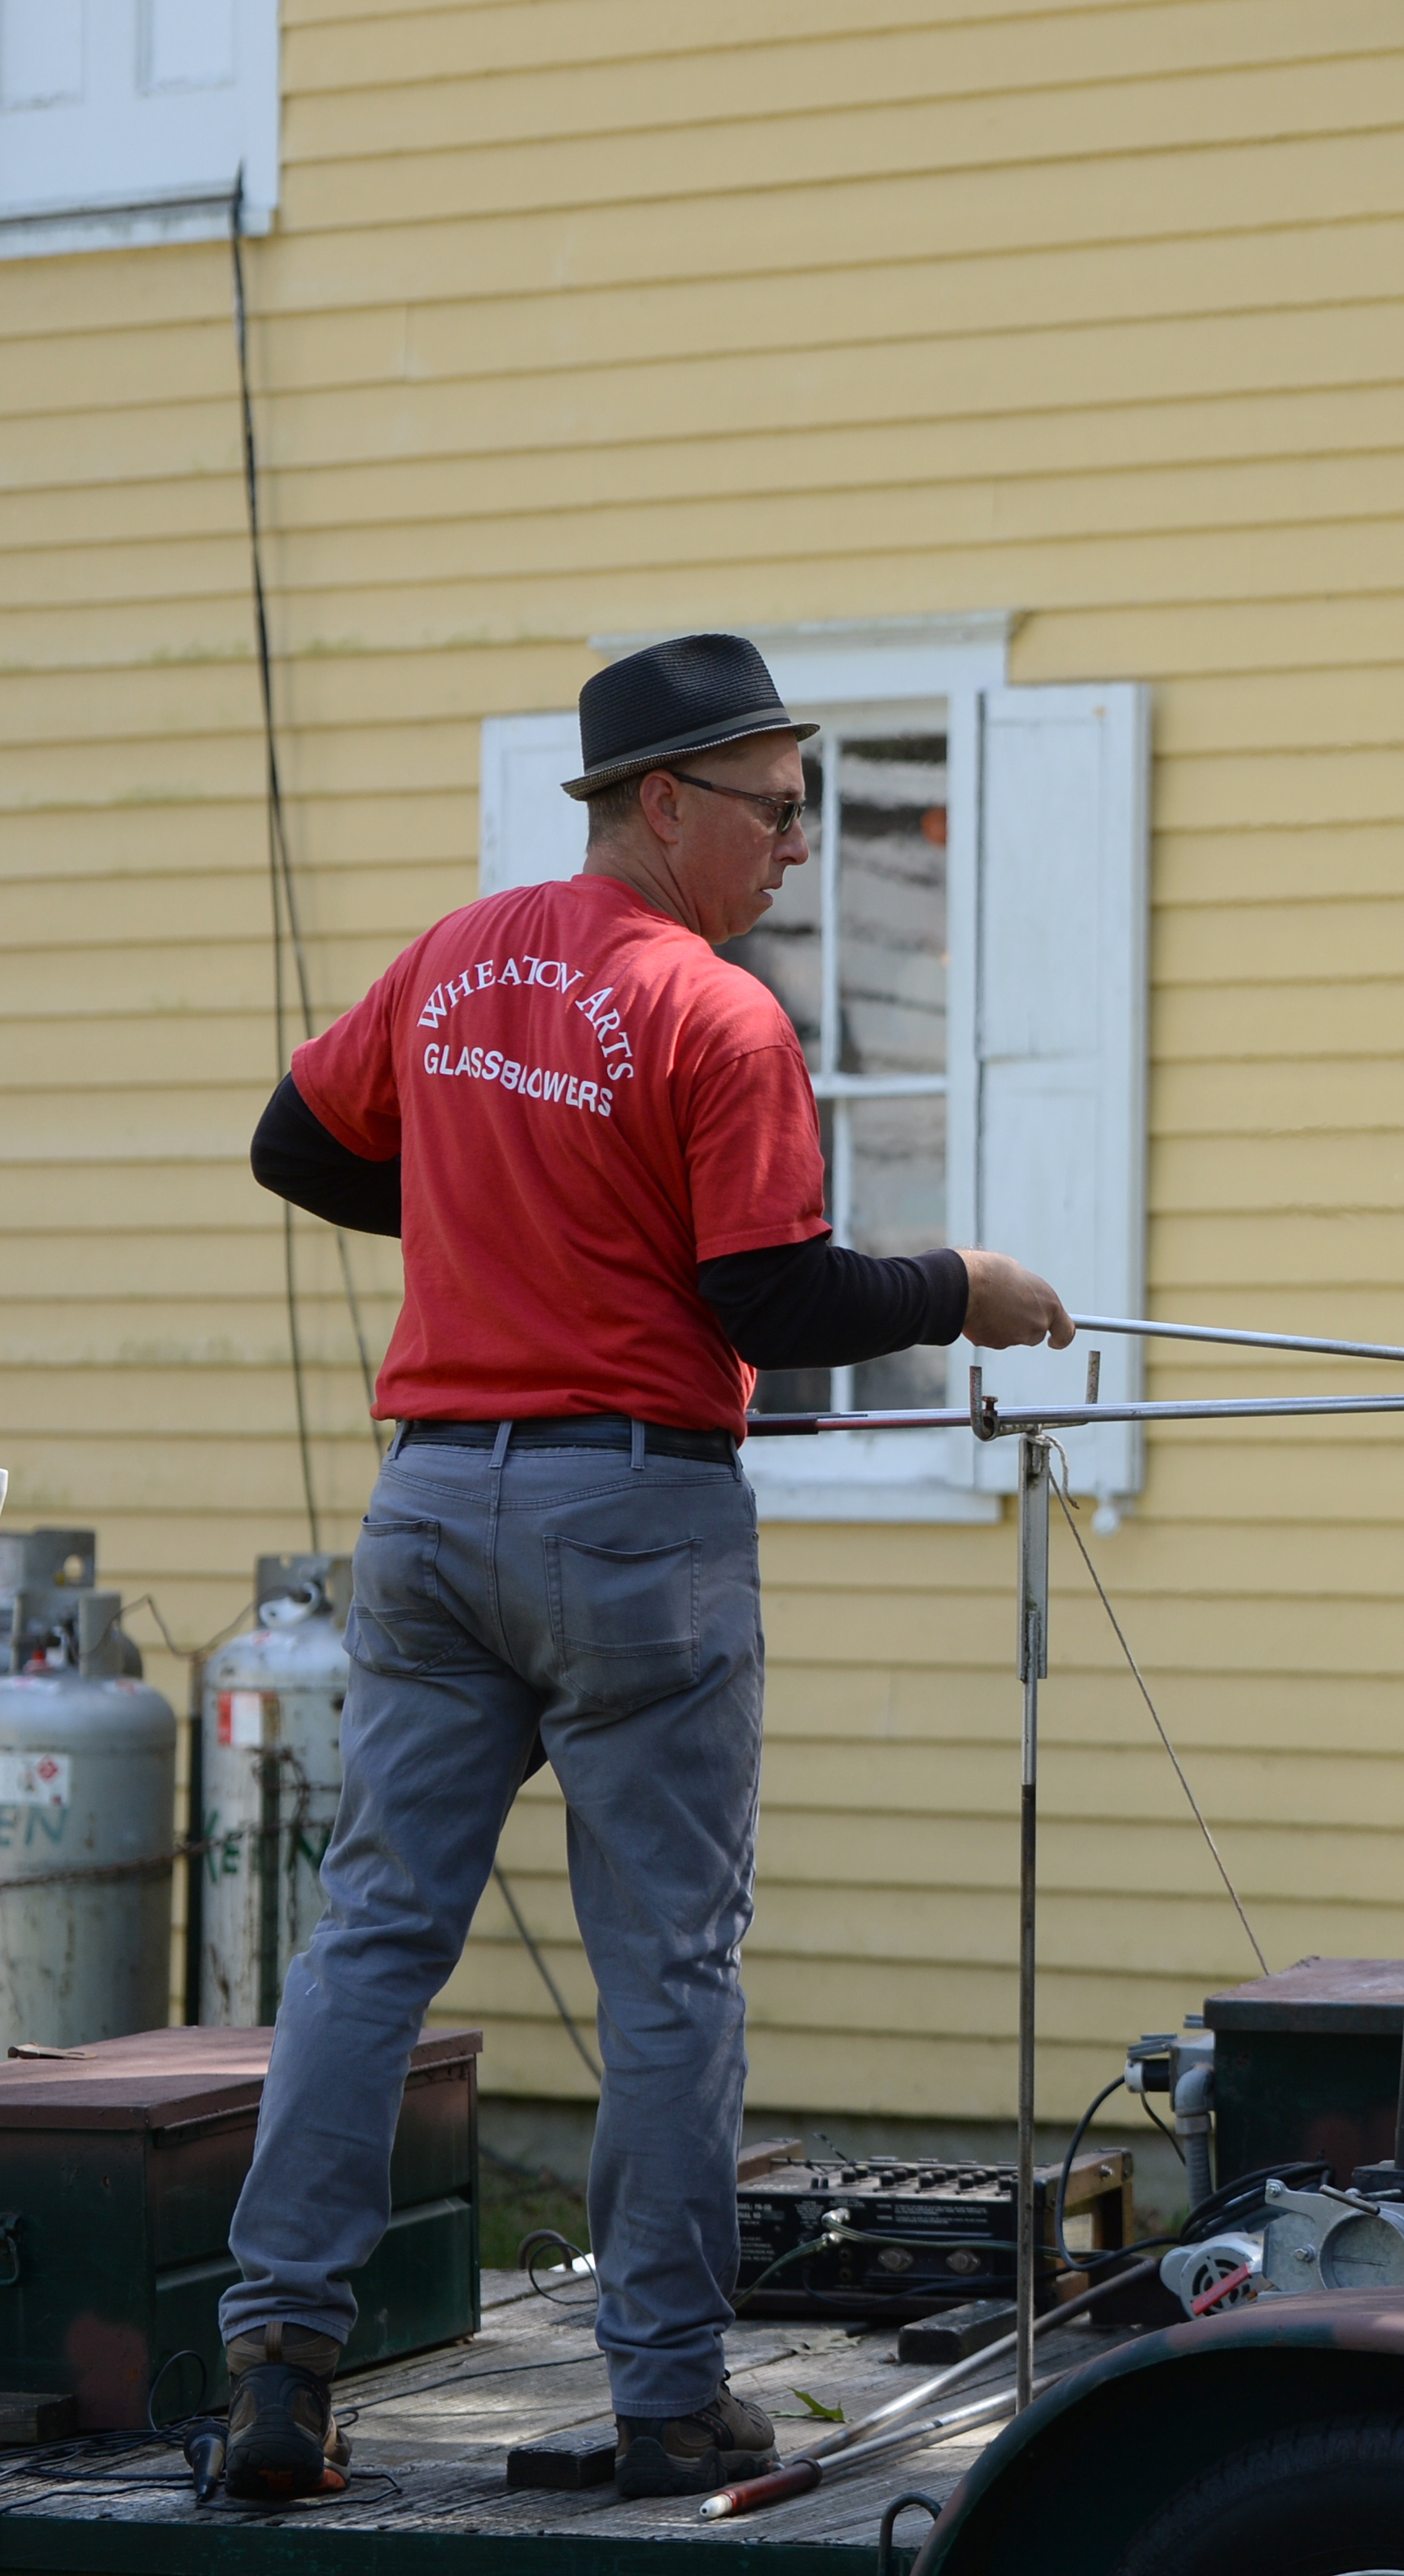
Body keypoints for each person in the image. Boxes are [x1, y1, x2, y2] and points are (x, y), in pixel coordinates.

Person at [216, 634, 1074, 2504]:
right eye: (776, 808)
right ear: (663, 801)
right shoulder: (716, 1009)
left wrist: (480, 1200)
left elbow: (297, 1141)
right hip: (634, 1522)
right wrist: (965, 1291)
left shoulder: (454, 959)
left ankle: (277, 2362)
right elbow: (767, 1289)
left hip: (435, 1508)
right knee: (672, 1963)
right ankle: (671, 2392)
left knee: (371, 1938)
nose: (798, 842)